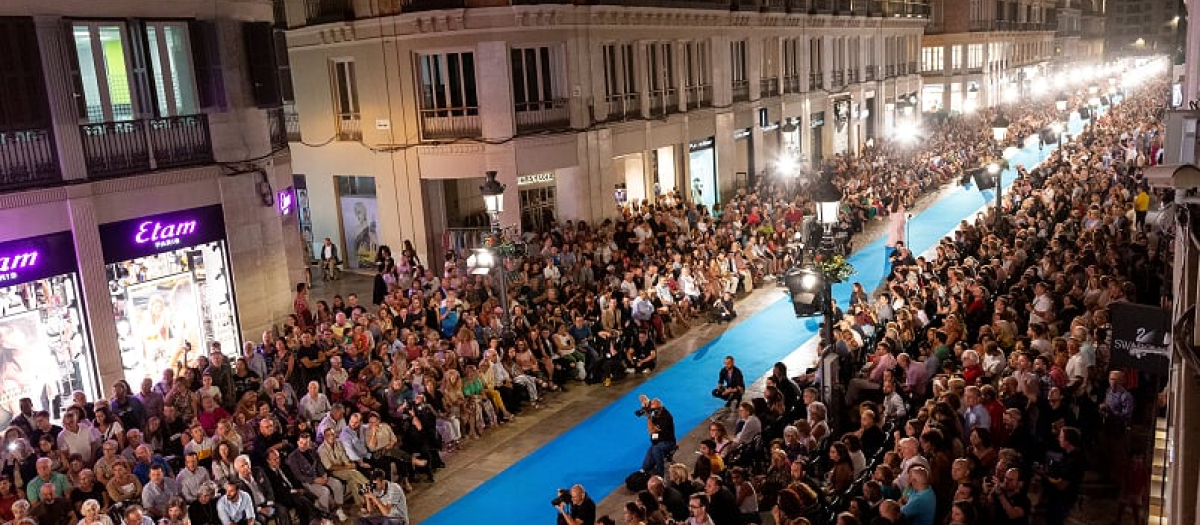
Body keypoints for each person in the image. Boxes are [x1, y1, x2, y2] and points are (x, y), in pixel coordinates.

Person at [637, 396, 676, 477]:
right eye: (652, 409)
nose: (653, 411)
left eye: (654, 409)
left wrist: (648, 418)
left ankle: (660, 473)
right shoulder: (656, 413)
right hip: (658, 441)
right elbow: (651, 433)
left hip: (668, 442)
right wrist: (645, 401)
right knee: (645, 467)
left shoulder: (666, 417)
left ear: (660, 408)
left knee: (656, 448)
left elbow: (652, 431)